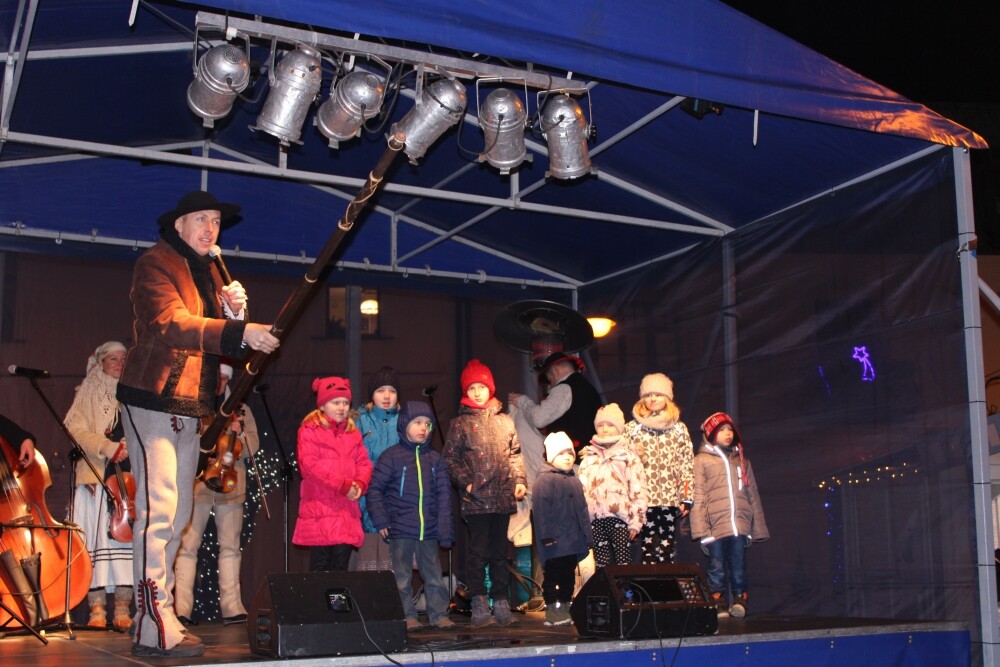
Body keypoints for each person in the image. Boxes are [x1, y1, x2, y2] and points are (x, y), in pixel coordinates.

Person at [116, 190, 280, 658]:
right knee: (160, 511)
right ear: (180, 225)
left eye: (216, 221)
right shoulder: (156, 264)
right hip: (152, 398)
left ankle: (159, 616)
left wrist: (232, 314)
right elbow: (171, 324)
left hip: (190, 404)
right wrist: (238, 330)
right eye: (201, 219)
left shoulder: (207, 272)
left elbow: (213, 344)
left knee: (179, 512)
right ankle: (153, 621)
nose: (211, 229)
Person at [173, 364, 259, 627]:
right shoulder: (193, 405)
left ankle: (233, 607)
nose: (218, 383)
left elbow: (253, 446)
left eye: (222, 378)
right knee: (187, 547)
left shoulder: (242, 410)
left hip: (231, 485)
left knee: (231, 547)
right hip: (198, 485)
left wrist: (239, 434)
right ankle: (181, 609)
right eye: (215, 377)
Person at [443, 359, 526, 627]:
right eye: (472, 388)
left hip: (502, 497)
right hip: (476, 500)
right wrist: (466, 482)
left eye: (482, 386)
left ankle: (500, 600)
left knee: (500, 552)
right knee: (477, 553)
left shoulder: (505, 421)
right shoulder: (460, 424)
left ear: (490, 388)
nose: (477, 392)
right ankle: (479, 601)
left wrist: (519, 480)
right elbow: (450, 459)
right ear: (465, 392)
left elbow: (515, 454)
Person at [63, 340, 133, 630]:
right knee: (95, 541)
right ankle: (96, 610)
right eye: (113, 359)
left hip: (127, 482)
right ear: (101, 362)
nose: (118, 363)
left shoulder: (133, 393)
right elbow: (74, 427)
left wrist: (131, 445)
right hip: (95, 475)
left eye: (122, 359)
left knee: (124, 543)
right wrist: (107, 446)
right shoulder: (87, 392)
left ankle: (122, 609)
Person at [366, 401, 455, 630]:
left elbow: (445, 498)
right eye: (417, 423)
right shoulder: (391, 457)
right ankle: (407, 615)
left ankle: (439, 614)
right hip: (401, 528)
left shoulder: (436, 460)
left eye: (427, 424)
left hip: (429, 530)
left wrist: (444, 530)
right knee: (402, 577)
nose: (423, 428)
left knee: (434, 575)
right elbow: (374, 490)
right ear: (405, 424)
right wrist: (382, 519)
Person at [691, 412, 769, 618]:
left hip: (739, 525)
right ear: (710, 434)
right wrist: (701, 531)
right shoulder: (701, 461)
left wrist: (755, 529)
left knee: (738, 565)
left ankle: (740, 600)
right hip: (715, 526)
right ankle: (716, 601)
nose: (727, 433)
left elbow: (752, 495)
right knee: (716, 566)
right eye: (721, 430)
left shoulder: (741, 461)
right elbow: (697, 495)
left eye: (730, 429)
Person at [292, 376, 372, 572]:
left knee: (340, 567)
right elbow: (309, 467)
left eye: (345, 402)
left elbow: (364, 463)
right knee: (320, 567)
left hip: (345, 512)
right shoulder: (309, 430)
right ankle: (319, 604)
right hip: (320, 510)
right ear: (322, 405)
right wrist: (344, 485)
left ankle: (337, 603)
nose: (342, 407)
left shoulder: (352, 433)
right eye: (336, 402)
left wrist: (360, 484)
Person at [622, 373, 694, 564]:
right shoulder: (632, 429)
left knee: (667, 548)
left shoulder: (679, 429)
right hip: (643, 500)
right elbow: (623, 467)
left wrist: (685, 497)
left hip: (669, 500)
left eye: (658, 394)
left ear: (667, 397)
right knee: (648, 548)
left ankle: (666, 588)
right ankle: (650, 589)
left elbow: (686, 464)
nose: (653, 399)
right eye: (648, 394)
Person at [531, 432, 592, 626]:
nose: (567, 457)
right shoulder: (545, 480)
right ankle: (552, 611)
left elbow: (583, 511)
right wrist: (548, 538)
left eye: (570, 453)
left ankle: (565, 609)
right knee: (553, 577)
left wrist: (587, 536)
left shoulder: (575, 481)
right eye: (561, 453)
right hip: (555, 543)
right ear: (551, 457)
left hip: (572, 542)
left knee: (568, 577)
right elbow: (541, 513)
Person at [577, 403, 648, 567]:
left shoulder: (628, 456)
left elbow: (638, 490)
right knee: (602, 565)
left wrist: (636, 521)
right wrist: (583, 522)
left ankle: (625, 593)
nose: (605, 429)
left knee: (623, 564)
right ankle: (606, 592)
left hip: (620, 519)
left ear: (619, 427)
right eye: (600, 425)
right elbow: (582, 491)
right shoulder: (589, 457)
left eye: (610, 425)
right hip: (595, 521)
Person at [509, 351, 602, 461]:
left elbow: (538, 418)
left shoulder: (564, 388)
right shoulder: (589, 388)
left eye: (550, 380)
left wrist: (522, 401)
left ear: (555, 371)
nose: (551, 385)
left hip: (571, 462)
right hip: (591, 458)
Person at [355, 366, 401, 572]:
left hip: (398, 496)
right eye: (381, 390)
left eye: (392, 390)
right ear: (372, 394)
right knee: (370, 557)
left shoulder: (406, 420)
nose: (387, 396)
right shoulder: (360, 420)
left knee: (398, 561)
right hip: (368, 495)